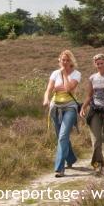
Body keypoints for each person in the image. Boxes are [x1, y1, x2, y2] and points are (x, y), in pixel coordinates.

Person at [42, 50, 82, 178]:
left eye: (67, 60)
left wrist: (64, 74)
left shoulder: (76, 74)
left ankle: (59, 168)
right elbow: (49, 89)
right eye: (62, 60)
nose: (64, 62)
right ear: (59, 60)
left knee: (63, 136)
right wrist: (46, 98)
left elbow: (69, 88)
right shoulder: (54, 73)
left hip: (70, 107)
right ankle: (71, 159)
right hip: (56, 107)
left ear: (71, 61)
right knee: (61, 136)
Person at [80, 53, 104, 175]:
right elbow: (89, 95)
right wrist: (83, 108)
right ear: (95, 64)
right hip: (95, 111)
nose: (99, 66)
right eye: (97, 64)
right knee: (96, 140)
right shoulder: (92, 78)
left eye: (101, 63)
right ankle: (98, 165)